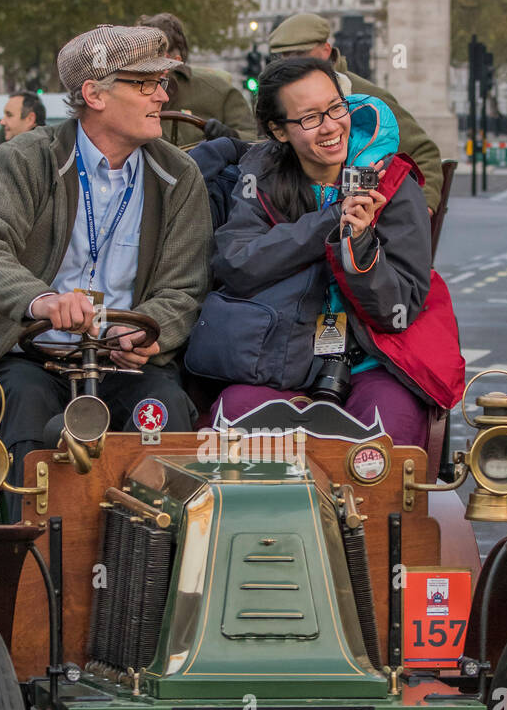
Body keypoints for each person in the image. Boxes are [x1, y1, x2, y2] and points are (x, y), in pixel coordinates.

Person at [0, 23, 213, 513]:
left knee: (166, 410)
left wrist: (152, 333)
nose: (162, 95)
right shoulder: (27, 159)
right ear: (94, 94)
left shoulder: (179, 175)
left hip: (123, 361)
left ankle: (161, 566)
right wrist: (42, 300)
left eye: (162, 83)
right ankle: (28, 561)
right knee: (24, 406)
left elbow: (184, 287)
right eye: (144, 84)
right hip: (29, 354)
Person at [185, 58, 463, 445]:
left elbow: (396, 311)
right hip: (277, 356)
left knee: (387, 434)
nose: (332, 127)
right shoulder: (259, 175)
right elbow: (237, 262)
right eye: (310, 118)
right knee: (236, 420)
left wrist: (358, 248)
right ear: (278, 131)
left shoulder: (395, 181)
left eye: (336, 108)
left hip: (372, 357)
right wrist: (331, 220)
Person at [268, 13, 443, 213]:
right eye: (284, 57)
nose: (292, 64)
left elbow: (423, 151)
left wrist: (423, 206)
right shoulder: (279, 101)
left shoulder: (367, 98)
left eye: (300, 54)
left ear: (326, 50)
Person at [138, 13, 256, 146]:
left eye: (158, 57)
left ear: (175, 60)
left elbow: (253, 139)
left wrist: (229, 136)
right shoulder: (124, 89)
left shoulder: (217, 90)